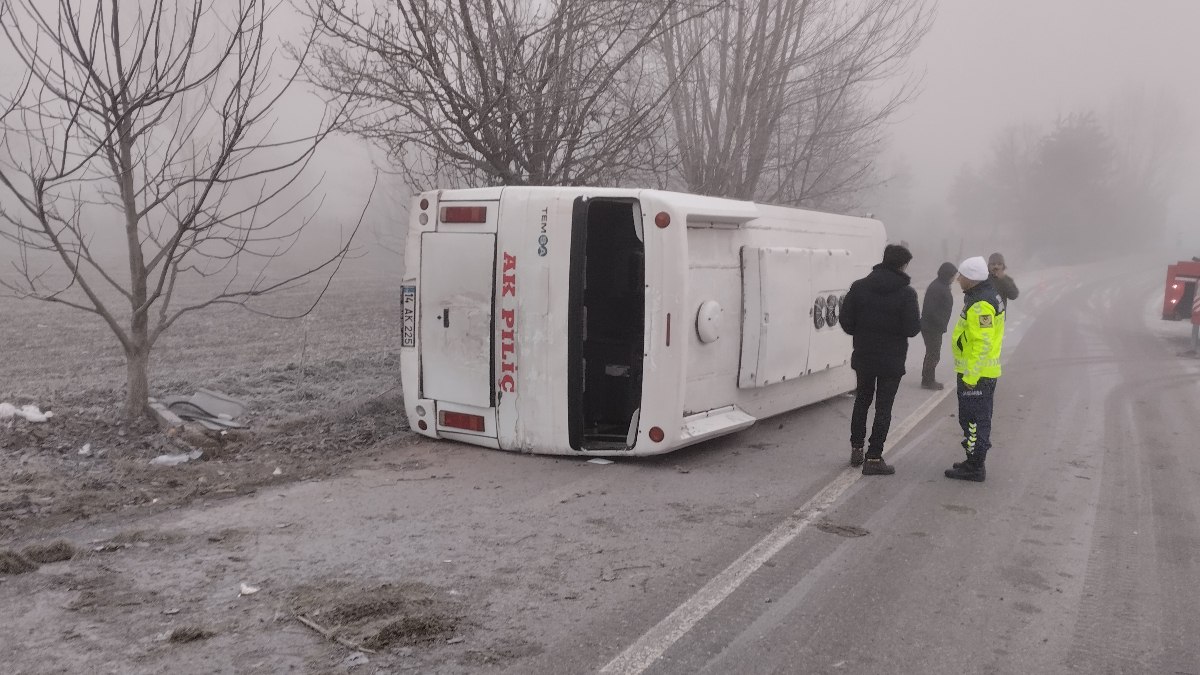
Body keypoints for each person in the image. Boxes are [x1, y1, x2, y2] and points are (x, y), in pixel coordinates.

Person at [840, 244, 921, 475]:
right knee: (884, 407)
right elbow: (913, 329)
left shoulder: (859, 287)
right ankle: (874, 458)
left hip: (864, 355)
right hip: (892, 360)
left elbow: (846, 322)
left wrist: (863, 331)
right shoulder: (907, 293)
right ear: (903, 265)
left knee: (862, 400)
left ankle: (856, 448)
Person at [945, 256, 1006, 482]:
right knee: (972, 420)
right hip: (978, 373)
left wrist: (971, 375)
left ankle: (975, 466)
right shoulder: (980, 296)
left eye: (961, 275)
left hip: (977, 376)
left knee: (973, 422)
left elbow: (983, 343)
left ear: (970, 278)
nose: (958, 279)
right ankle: (972, 460)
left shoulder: (981, 304)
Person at [919, 262, 959, 390]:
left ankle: (927, 378)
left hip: (933, 326)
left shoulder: (941, 285)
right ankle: (928, 380)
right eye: (953, 275)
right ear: (947, 275)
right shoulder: (937, 287)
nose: (954, 278)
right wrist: (940, 323)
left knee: (932, 352)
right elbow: (930, 310)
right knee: (934, 354)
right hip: (931, 327)